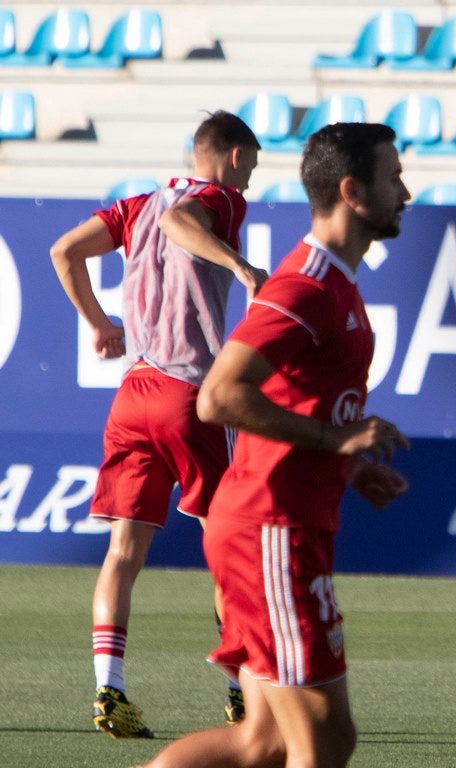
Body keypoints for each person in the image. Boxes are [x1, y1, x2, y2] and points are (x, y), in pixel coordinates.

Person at [141, 121, 412, 768]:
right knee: (319, 741)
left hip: (288, 522)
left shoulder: (338, 284)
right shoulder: (305, 285)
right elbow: (220, 396)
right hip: (270, 527)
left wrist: (343, 463)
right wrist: (334, 438)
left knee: (261, 742)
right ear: (352, 191)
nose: (405, 190)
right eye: (392, 176)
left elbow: (299, 406)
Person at [49, 110, 266, 738]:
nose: (249, 181)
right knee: (230, 543)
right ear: (229, 156)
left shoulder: (136, 204)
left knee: (122, 552)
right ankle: (240, 693)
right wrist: (240, 268)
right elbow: (182, 221)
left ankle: (109, 690)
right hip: (188, 393)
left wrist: (97, 323)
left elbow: (64, 251)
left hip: (132, 393)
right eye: (249, 166)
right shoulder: (219, 200)